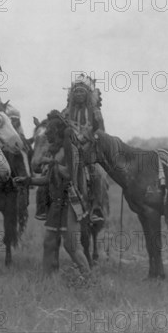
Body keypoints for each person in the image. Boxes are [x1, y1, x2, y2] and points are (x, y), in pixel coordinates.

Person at [15, 111, 90, 276]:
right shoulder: (53, 151)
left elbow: (69, 175)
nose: (47, 135)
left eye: (50, 132)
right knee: (49, 242)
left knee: (71, 246)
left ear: (58, 132)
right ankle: (46, 279)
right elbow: (47, 179)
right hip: (56, 203)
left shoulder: (71, 149)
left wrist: (52, 162)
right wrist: (27, 180)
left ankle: (88, 278)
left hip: (70, 201)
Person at [60, 74, 106, 225]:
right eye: (76, 92)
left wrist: (90, 138)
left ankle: (97, 208)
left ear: (87, 94)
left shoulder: (95, 112)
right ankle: (45, 206)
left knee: (98, 174)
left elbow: (101, 133)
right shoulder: (65, 112)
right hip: (69, 148)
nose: (79, 94)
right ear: (72, 94)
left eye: (82, 92)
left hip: (89, 150)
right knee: (52, 169)